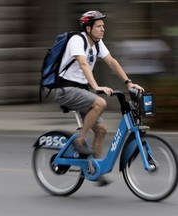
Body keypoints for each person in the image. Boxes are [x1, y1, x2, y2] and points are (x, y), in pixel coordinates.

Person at [54, 10, 144, 184]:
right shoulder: (77, 40)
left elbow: (111, 61)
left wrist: (128, 83)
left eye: (103, 26)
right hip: (66, 89)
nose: (103, 29)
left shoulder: (98, 43)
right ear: (88, 28)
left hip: (81, 91)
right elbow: (82, 63)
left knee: (102, 129)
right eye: (99, 26)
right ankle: (80, 141)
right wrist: (95, 86)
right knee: (100, 102)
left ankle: (93, 169)